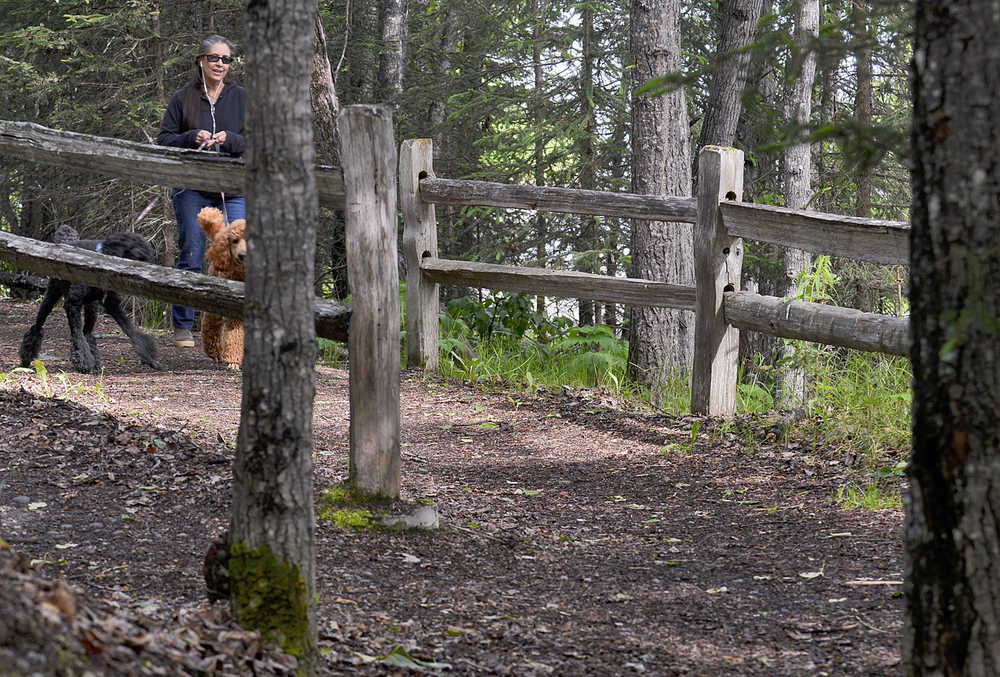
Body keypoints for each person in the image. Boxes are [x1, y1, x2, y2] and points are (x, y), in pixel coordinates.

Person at [157, 34, 246, 348]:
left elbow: (258, 140)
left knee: (240, 258)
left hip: (233, 188)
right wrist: (192, 136)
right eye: (214, 58)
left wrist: (230, 139)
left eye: (225, 59)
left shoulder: (241, 97)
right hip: (192, 187)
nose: (220, 64)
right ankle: (183, 326)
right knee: (192, 253)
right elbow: (164, 140)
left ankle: (235, 333)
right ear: (201, 61)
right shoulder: (183, 98)